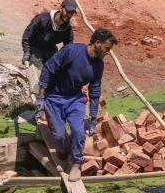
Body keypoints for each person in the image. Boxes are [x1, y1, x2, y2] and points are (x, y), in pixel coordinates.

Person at [37, 27, 118, 181]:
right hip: (54, 96)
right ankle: (63, 153)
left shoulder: (98, 65)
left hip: (75, 98)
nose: (108, 52)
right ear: (97, 43)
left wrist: (93, 118)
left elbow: (94, 91)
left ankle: (75, 164)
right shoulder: (71, 51)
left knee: (79, 132)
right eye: (107, 48)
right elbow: (48, 69)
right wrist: (41, 98)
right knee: (59, 135)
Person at [21, 0, 78, 68]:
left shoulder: (67, 30)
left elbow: (68, 48)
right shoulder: (42, 19)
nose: (69, 15)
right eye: (68, 11)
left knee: (56, 70)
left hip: (50, 49)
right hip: (35, 47)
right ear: (61, 8)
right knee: (40, 70)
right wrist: (26, 52)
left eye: (71, 13)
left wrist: (64, 60)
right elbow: (27, 35)